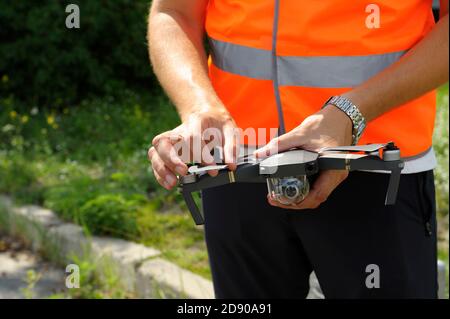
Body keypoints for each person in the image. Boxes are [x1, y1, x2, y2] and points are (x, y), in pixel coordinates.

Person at [147, 0, 449, 298]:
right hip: (236, 168)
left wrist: (352, 112)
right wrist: (198, 105)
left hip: (375, 165)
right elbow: (174, 12)